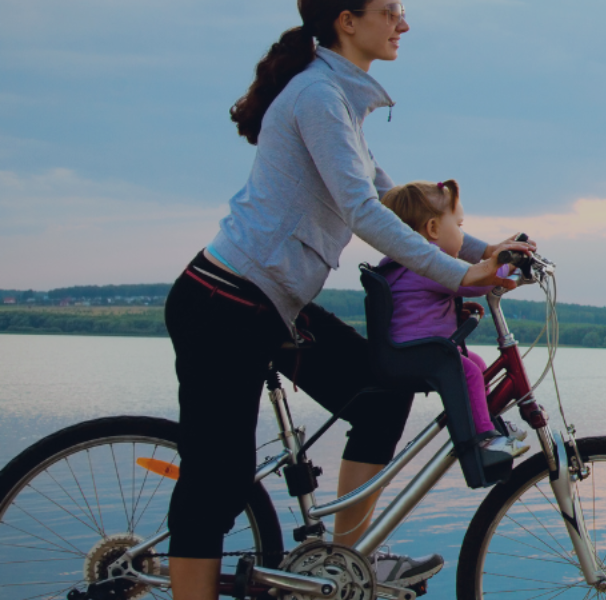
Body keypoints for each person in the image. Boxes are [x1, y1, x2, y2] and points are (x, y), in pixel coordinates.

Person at [164, 1, 532, 598]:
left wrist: (496, 254)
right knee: (219, 478)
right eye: (391, 11)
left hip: (270, 305)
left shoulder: (340, 105)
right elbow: (363, 213)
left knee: (381, 398)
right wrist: (460, 277)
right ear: (347, 20)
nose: (403, 25)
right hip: (224, 303)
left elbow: (399, 208)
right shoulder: (318, 98)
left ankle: (345, 563)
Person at [375, 180, 529, 461]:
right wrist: (509, 263)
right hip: (418, 353)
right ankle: (484, 440)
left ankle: (488, 424)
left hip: (418, 350)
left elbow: (423, 304)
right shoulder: (426, 266)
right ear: (433, 229)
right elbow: (478, 283)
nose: (461, 235)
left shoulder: (406, 266)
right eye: (459, 227)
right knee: (468, 372)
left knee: (477, 365)